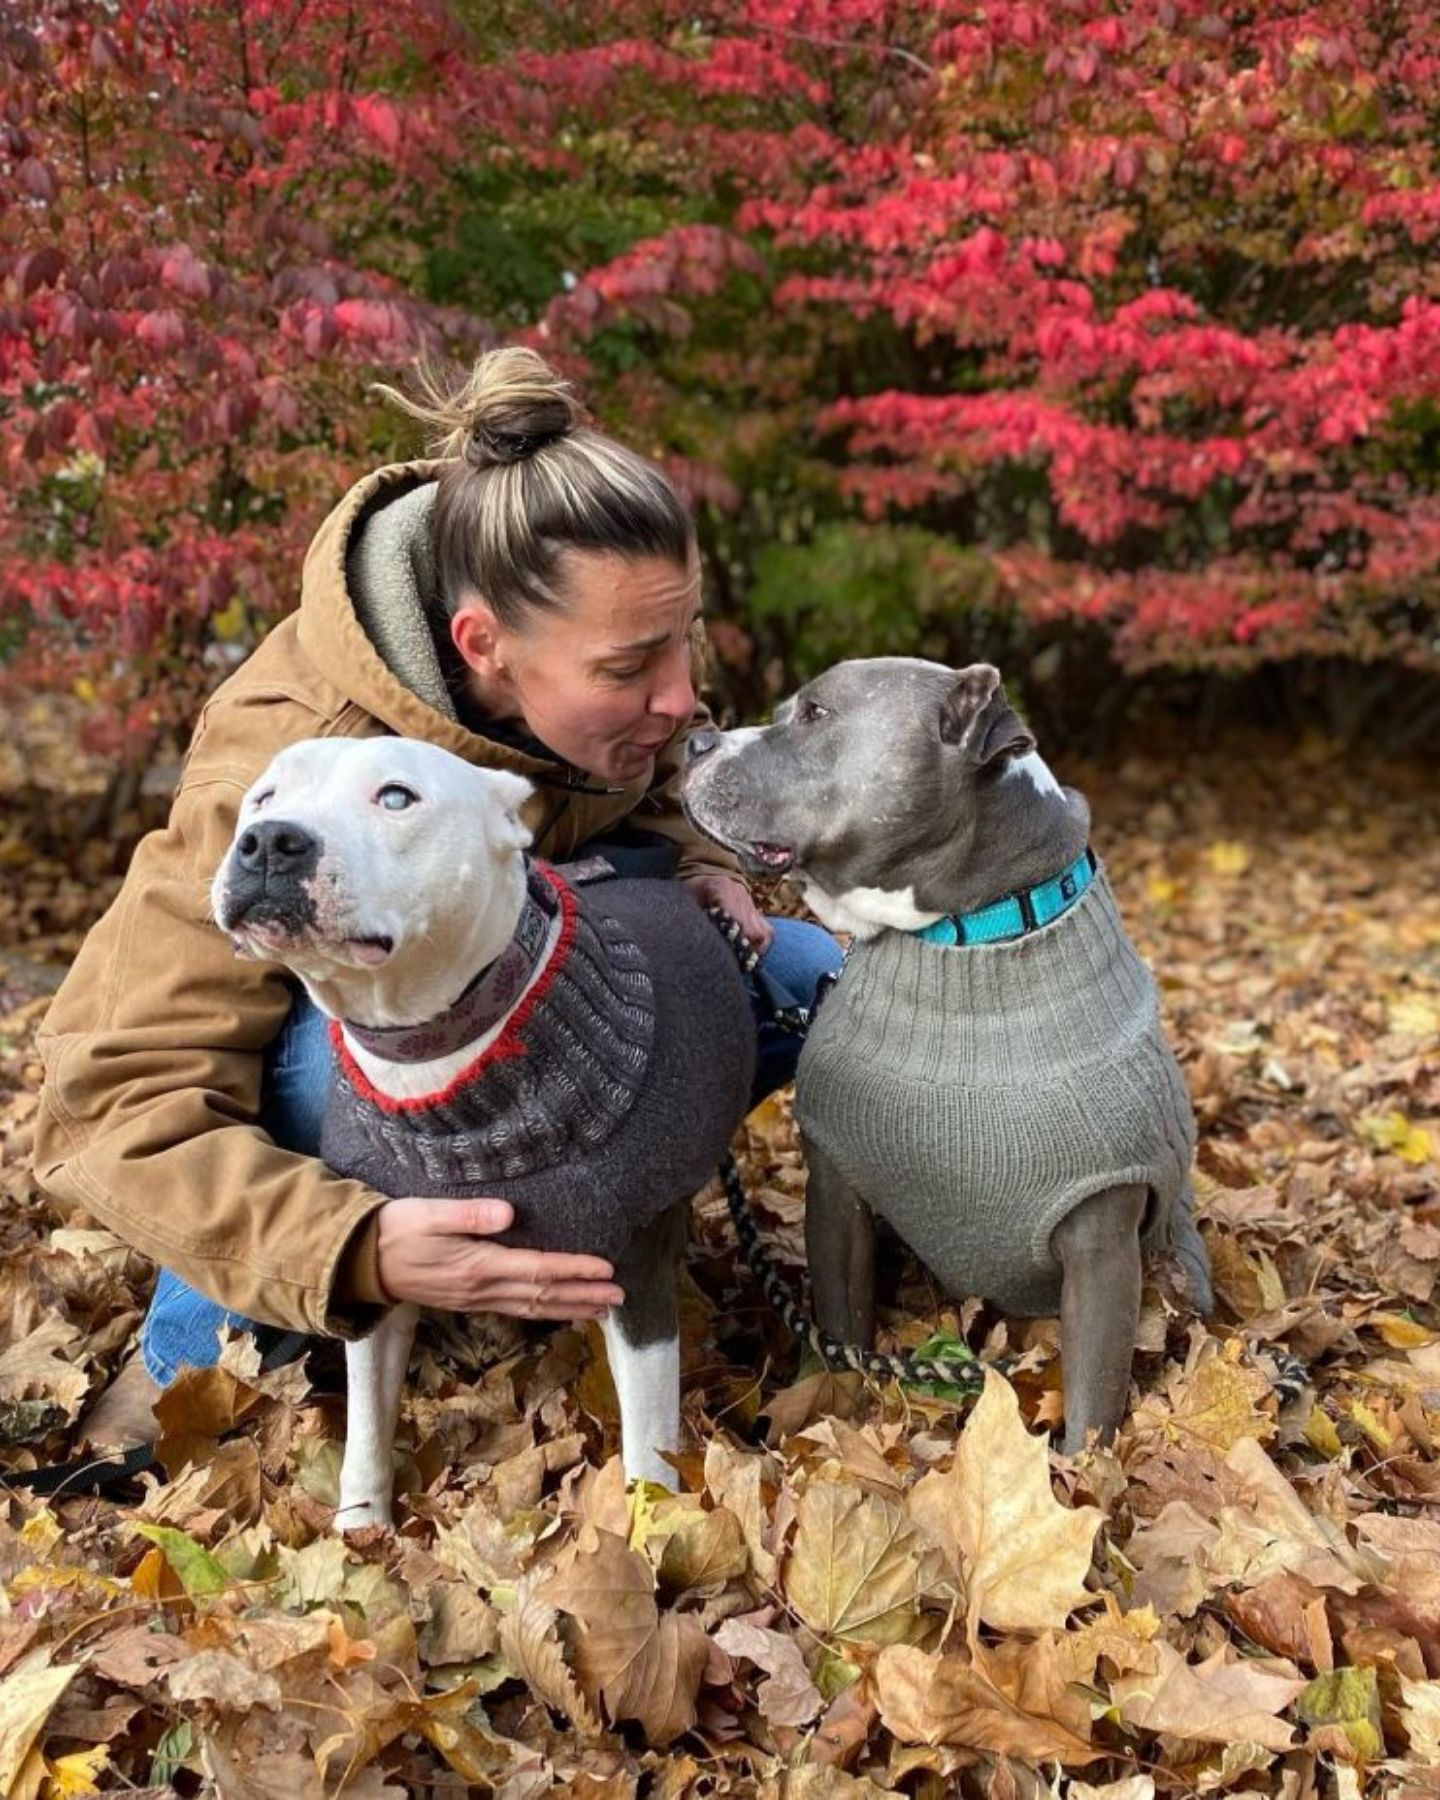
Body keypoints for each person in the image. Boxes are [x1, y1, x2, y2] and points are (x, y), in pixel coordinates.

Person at [34, 346, 843, 1447]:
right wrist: (350, 1245)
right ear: (483, 649)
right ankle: (189, 1362)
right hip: (355, 1041)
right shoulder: (290, 757)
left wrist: (702, 867)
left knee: (802, 974)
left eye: (682, 641)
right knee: (359, 1051)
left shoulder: (586, 653)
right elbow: (119, 1092)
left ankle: (587, 1216)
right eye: (631, 668)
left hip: (555, 984)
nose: (682, 695)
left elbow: (648, 788)